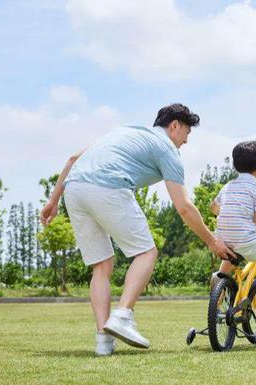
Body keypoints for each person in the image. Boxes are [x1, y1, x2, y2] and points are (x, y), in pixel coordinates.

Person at [40, 103, 234, 356]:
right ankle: (122, 315)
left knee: (102, 266)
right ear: (174, 125)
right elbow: (184, 207)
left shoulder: (123, 132)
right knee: (146, 252)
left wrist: (54, 200)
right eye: (186, 133)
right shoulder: (167, 149)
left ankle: (104, 341)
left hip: (74, 190)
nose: (185, 141)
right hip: (108, 187)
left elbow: (73, 159)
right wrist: (212, 241)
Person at [209, 141, 256, 324]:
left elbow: (213, 208)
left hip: (223, 239)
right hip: (245, 239)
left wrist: (230, 211)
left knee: (226, 268)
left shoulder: (227, 186)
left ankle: (217, 304)